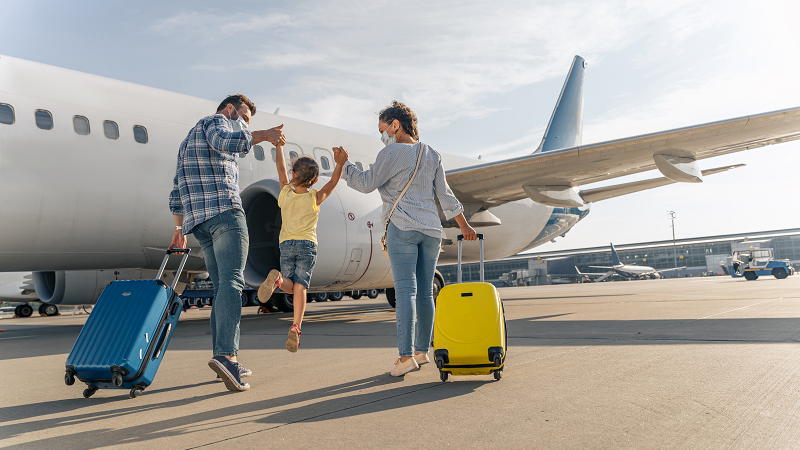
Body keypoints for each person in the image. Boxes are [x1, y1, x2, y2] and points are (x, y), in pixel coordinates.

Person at [333, 101, 477, 377]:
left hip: (402, 227)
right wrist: (464, 225)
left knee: (406, 292)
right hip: (432, 231)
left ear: (395, 125)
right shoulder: (431, 153)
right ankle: (422, 351)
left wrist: (345, 164)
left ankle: (404, 357)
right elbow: (445, 195)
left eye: (382, 129)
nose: (382, 135)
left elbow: (365, 184)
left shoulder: (391, 152)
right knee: (425, 293)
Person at [169, 94, 285, 392]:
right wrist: (263, 136)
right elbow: (226, 142)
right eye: (244, 118)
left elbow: (176, 187)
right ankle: (227, 355)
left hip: (200, 224)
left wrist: (178, 228)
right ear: (231, 109)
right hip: (224, 214)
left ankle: (224, 355)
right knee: (233, 284)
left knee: (222, 288)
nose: (245, 125)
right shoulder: (217, 122)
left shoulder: (187, 142)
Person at [257, 142, 344, 353]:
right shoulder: (314, 198)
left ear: (293, 173)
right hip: (307, 245)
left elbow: (280, 169)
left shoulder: (285, 193)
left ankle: (277, 280)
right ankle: (296, 325)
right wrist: (340, 163)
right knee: (301, 287)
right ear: (314, 180)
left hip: (286, 244)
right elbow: (332, 182)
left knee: (289, 284)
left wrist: (278, 146)